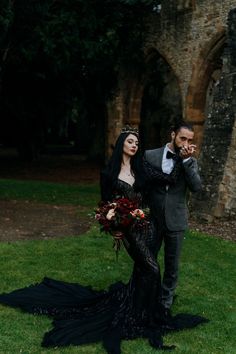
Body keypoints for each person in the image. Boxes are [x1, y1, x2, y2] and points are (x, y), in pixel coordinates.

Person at [0, 126, 207, 354]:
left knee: (144, 269)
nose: (134, 145)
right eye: (130, 142)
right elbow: (105, 204)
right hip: (129, 229)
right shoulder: (110, 173)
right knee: (151, 268)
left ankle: (144, 308)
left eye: (136, 142)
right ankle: (138, 313)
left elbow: (168, 179)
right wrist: (113, 223)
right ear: (121, 144)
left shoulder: (141, 167)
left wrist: (183, 159)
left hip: (149, 224)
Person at [144, 121, 202, 319]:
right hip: (153, 218)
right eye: (182, 138)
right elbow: (143, 185)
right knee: (147, 261)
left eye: (189, 140)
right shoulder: (150, 155)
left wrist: (186, 163)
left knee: (172, 266)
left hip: (176, 220)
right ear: (172, 135)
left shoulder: (191, 161)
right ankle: (146, 296)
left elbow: (196, 187)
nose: (186, 143)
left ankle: (165, 303)